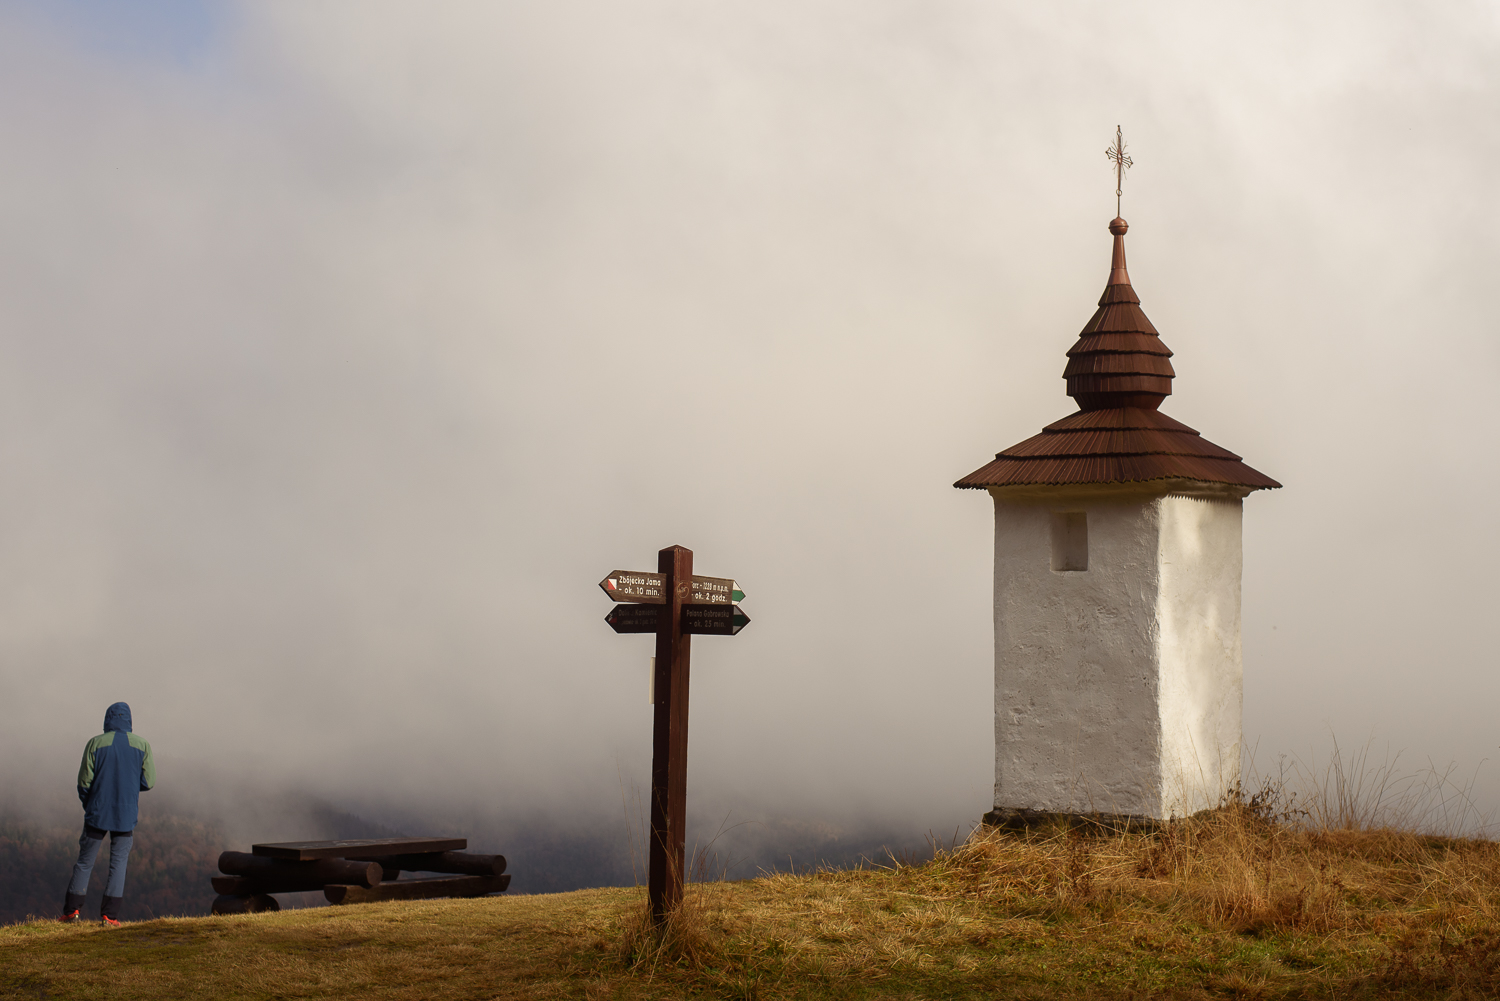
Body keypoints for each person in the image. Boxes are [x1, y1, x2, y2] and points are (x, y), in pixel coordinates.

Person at [61, 702, 155, 926]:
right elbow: (149, 782)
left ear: (107, 719)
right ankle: (109, 917)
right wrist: (131, 787)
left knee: (85, 862)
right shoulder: (143, 745)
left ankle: (71, 912)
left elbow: (84, 782)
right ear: (129, 720)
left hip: (97, 812)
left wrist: (89, 804)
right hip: (126, 814)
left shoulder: (95, 743)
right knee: (119, 863)